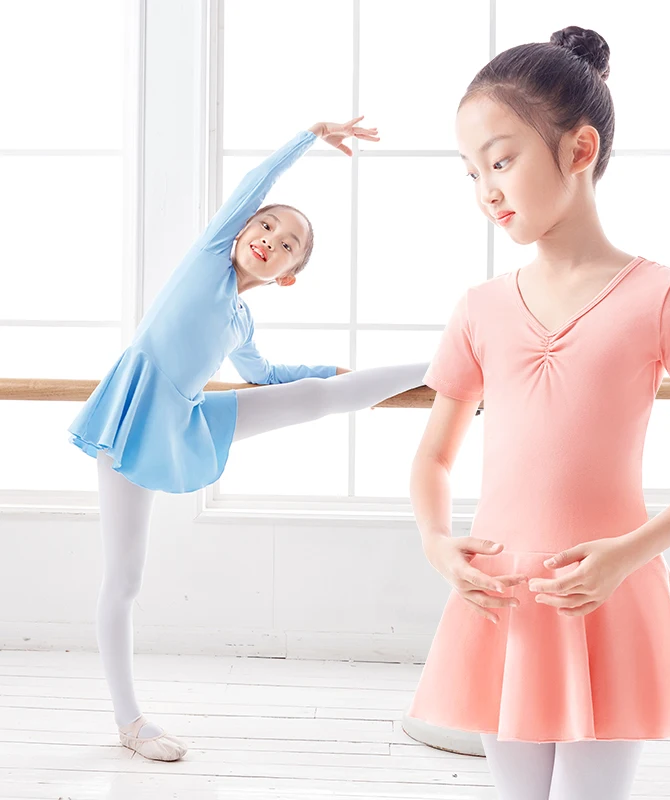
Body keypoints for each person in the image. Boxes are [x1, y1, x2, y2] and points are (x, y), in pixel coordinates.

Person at [406, 26, 670, 800]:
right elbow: (434, 457)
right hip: (503, 599)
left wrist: (627, 554)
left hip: (608, 594)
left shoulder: (661, 295)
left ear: (578, 149)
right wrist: (438, 545)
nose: (486, 190)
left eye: (501, 161)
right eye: (471, 172)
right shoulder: (480, 308)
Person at [67, 116, 430, 761]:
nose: (271, 239)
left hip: (186, 416)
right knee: (123, 578)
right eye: (266, 226)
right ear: (242, 230)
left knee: (317, 399)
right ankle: (130, 724)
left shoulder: (240, 319)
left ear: (289, 275)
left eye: (288, 243)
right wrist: (311, 136)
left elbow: (263, 376)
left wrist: (325, 372)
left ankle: (447, 368)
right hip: (132, 414)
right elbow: (255, 182)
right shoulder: (208, 258)